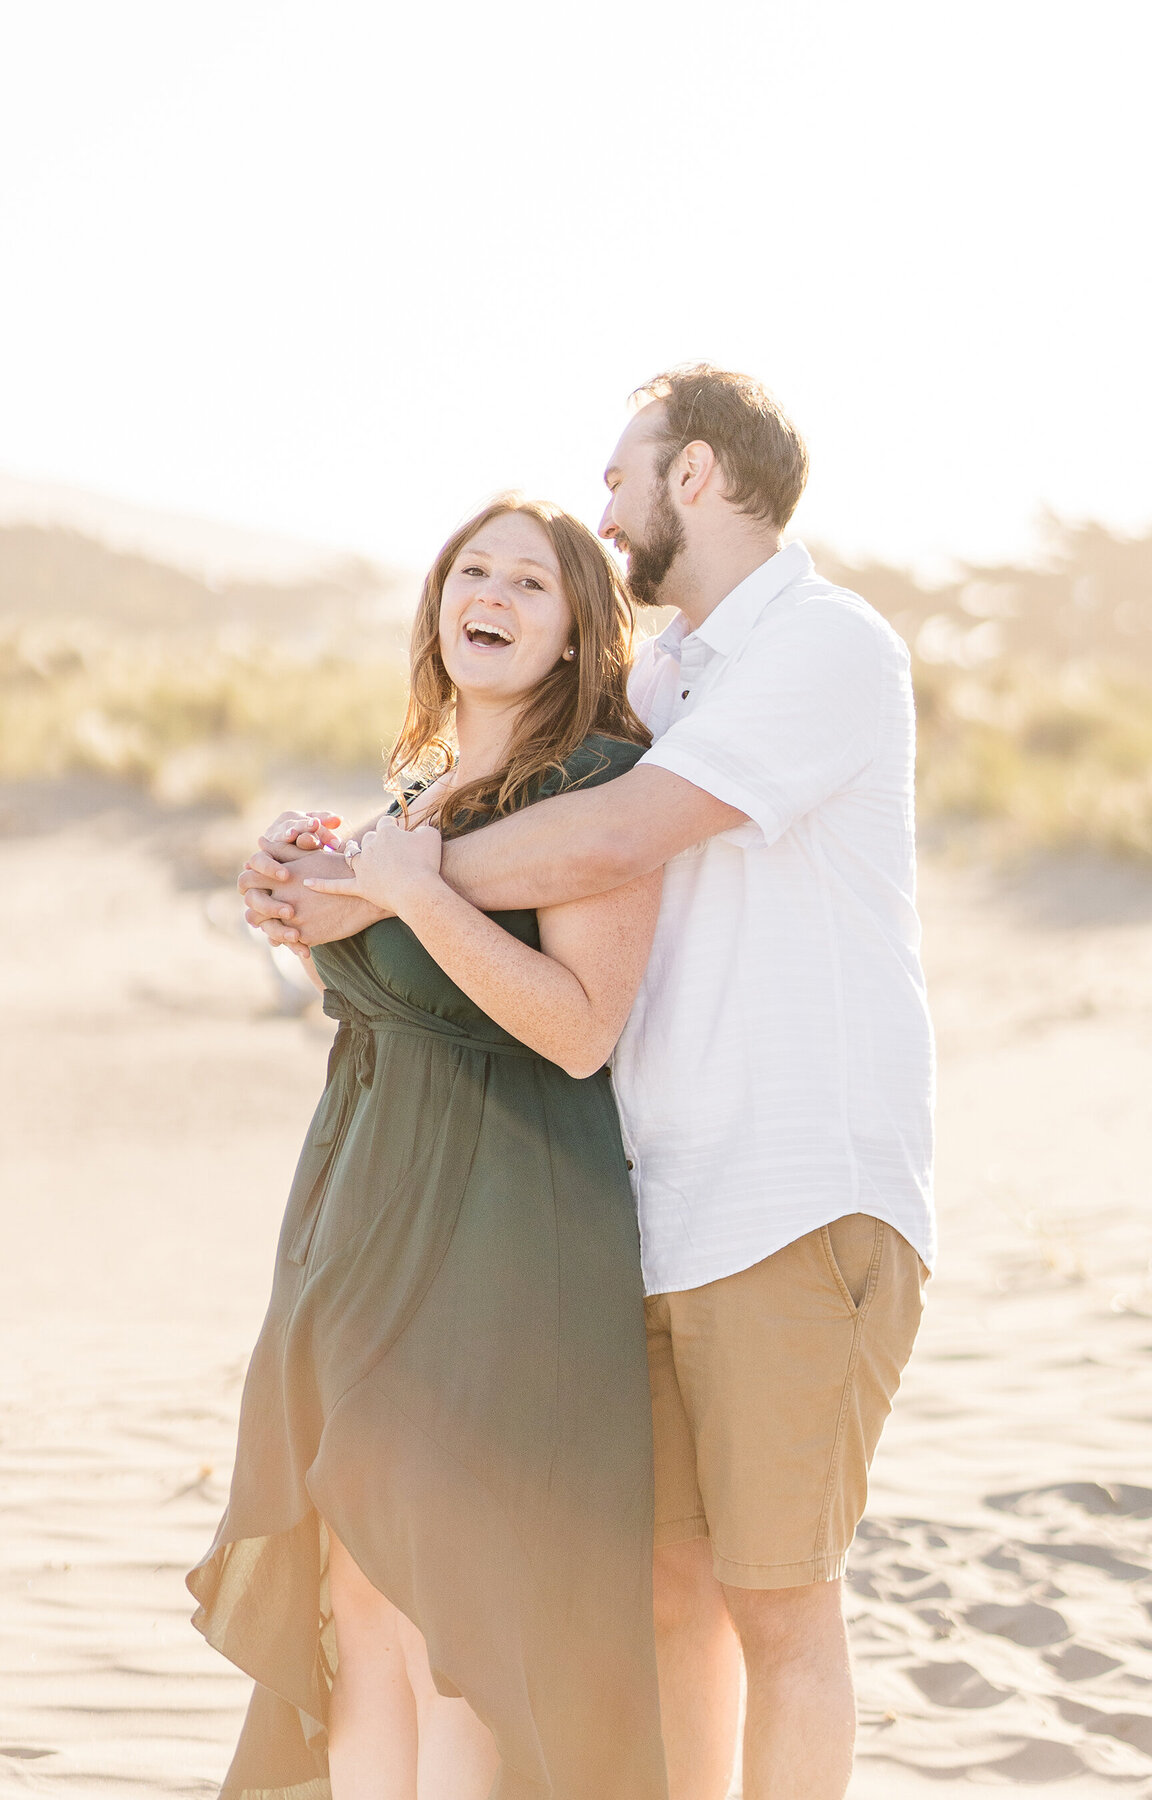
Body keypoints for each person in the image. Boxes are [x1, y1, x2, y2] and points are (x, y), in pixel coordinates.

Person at [246, 366, 936, 1800]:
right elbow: (506, 773)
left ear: (693, 476)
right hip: (646, 1211)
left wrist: (380, 888)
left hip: (797, 1194)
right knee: (669, 1592)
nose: (606, 507)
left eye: (622, 476)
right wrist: (334, 860)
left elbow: (609, 836)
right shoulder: (672, 674)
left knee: (779, 1604)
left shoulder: (827, 646)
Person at [191, 496, 669, 1800]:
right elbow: (377, 968)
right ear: (439, 603)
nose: (495, 594)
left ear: (575, 631)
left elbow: (580, 1030)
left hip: (504, 1227)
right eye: (475, 570)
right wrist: (285, 896)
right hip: (359, 1215)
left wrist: (408, 892)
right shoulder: (415, 784)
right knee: (363, 1607)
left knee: (462, 1622)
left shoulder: (596, 789)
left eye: (532, 580)